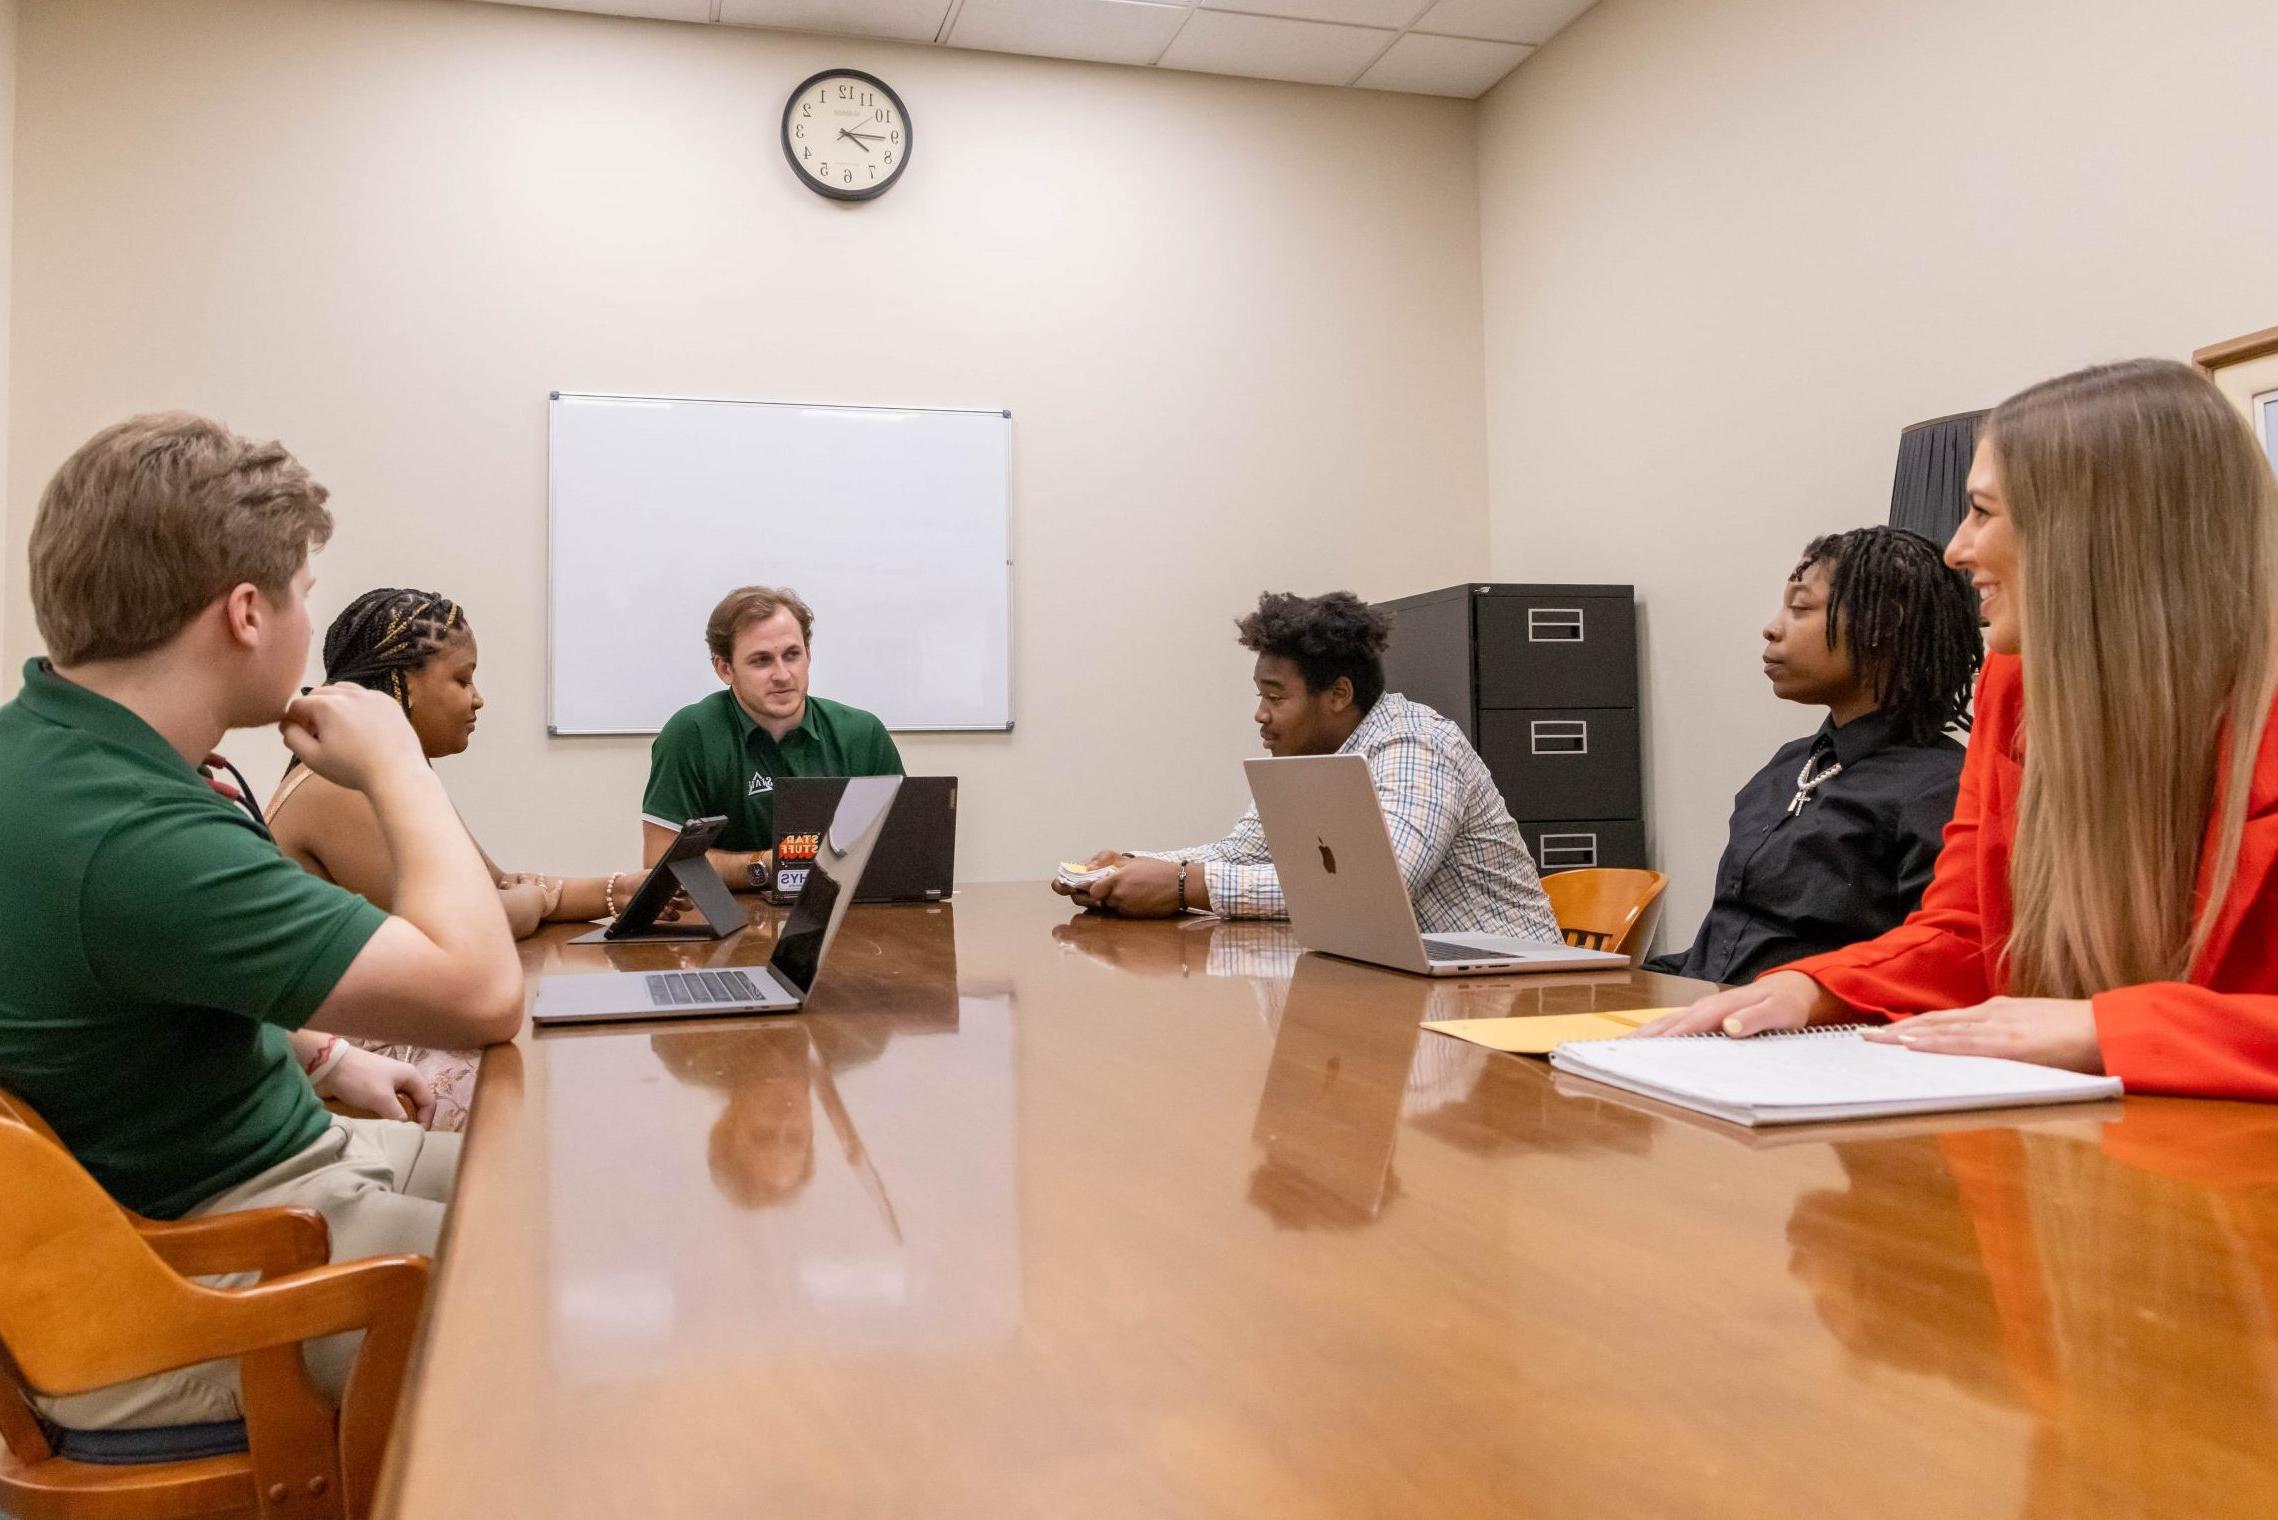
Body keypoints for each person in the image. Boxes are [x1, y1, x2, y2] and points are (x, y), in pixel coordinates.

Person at [0, 412, 523, 1430]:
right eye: (301, 595)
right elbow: (482, 994)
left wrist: (323, 1056)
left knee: (565, 1180)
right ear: (247, 610)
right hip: (192, 1273)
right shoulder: (133, 834)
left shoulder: (54, 752)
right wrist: (394, 760)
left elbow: (121, 975)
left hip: (253, 1169)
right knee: (559, 1292)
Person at [1641, 359, 2278, 1099]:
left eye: (1981, 511)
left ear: (2091, 530)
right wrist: (1813, 988)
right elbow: (1967, 930)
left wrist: (2106, 1029)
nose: (1955, 549)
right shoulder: (2017, 684)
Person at [268, 586, 674, 1130]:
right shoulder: (341, 789)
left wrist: (618, 889)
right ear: (401, 686)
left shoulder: (387, 778)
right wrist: (530, 899)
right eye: (462, 679)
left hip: (383, 1024)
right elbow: (478, 924)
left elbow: (498, 883)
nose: (477, 698)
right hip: (351, 1060)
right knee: (559, 1081)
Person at [1056, 590, 1561, 942]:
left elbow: (1375, 889)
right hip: (1409, 978)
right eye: (1260, 695)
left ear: (1339, 693)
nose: (1260, 713)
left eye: (1275, 696)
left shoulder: (1416, 745)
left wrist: (1186, 883)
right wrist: (1134, 866)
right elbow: (1243, 852)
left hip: (1510, 992)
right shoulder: (1308, 756)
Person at [1644, 526, 1981, 983]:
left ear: (1881, 626)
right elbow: (1727, 948)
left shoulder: (1939, 790)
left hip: (1810, 1037)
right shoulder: (1789, 765)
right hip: (1710, 1020)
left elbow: (1931, 967)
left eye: (1800, 608)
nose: (1772, 627)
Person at [641, 585, 904, 892]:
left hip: (846, 917)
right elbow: (660, 866)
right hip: (727, 922)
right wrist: (764, 865)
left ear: (808, 654)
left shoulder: (863, 733)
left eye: (792, 655)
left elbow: (902, 852)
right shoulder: (691, 734)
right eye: (762, 661)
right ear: (725, 669)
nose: (782, 674)